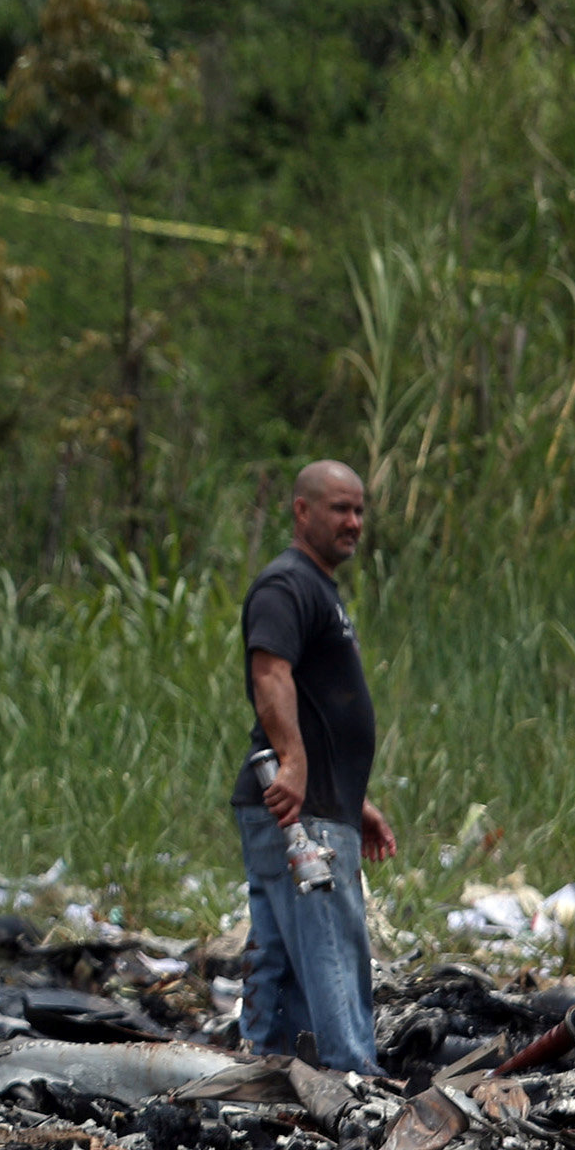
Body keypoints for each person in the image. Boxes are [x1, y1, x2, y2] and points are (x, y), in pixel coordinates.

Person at [232, 459, 400, 1073]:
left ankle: (273, 1078)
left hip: (321, 803)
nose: (353, 521)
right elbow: (269, 671)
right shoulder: (286, 585)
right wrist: (294, 762)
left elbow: (320, 704)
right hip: (300, 810)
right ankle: (353, 1082)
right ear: (302, 511)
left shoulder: (318, 589)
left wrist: (356, 800)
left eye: (359, 510)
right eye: (339, 508)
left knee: (280, 957)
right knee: (332, 950)